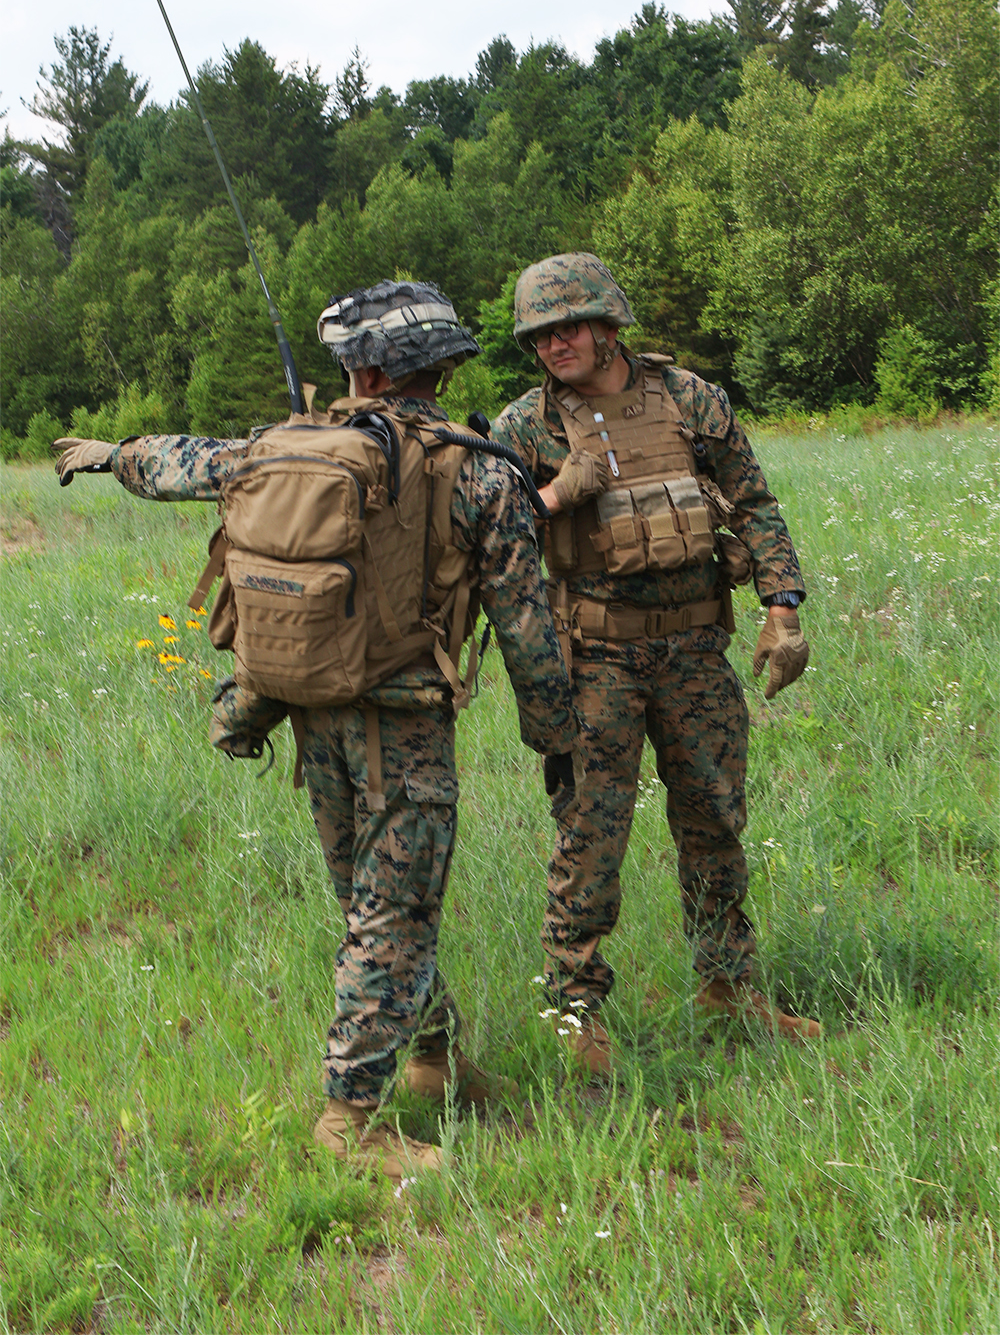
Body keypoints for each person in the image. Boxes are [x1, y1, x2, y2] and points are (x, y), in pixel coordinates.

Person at [53, 280, 575, 1179]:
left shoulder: (278, 449)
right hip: (404, 728)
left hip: (307, 714)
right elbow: (528, 627)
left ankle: (433, 1058)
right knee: (394, 909)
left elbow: (183, 462)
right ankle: (348, 1122)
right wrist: (557, 734)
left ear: (359, 367)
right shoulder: (482, 470)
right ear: (441, 366)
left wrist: (110, 454)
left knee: (372, 900)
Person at [491, 252, 819, 1075]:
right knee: (590, 834)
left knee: (714, 817)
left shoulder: (690, 400)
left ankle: (727, 985)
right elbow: (485, 537)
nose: (553, 344)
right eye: (538, 333)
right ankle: (576, 1016)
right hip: (596, 655)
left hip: (697, 651)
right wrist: (555, 494)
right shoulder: (523, 428)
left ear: (609, 324)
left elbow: (754, 503)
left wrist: (784, 612)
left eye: (568, 326)